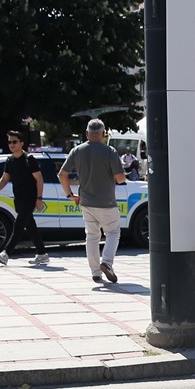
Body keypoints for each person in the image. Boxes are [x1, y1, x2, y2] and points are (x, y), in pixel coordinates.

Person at [59, 119, 127, 284]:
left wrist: (70, 195)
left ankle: (96, 272)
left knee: (92, 236)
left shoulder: (77, 151)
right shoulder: (110, 151)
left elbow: (62, 174)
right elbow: (120, 178)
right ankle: (107, 262)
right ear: (103, 134)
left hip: (86, 202)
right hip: (106, 202)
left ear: (87, 133)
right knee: (113, 233)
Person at [0, 130, 49, 266]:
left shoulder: (29, 159)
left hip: (30, 197)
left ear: (21, 143)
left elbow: (39, 179)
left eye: (14, 142)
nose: (12, 144)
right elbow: (4, 179)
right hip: (18, 198)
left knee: (19, 225)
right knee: (30, 226)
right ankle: (42, 253)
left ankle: (6, 253)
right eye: (9, 142)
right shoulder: (9, 160)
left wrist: (39, 198)